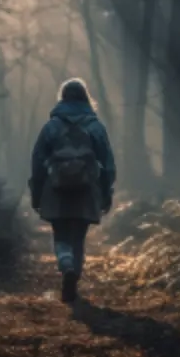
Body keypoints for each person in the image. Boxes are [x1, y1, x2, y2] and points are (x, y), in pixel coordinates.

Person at [29, 78, 116, 303]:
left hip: (56, 189)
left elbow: (37, 162)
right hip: (87, 191)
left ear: (62, 98)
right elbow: (107, 164)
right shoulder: (96, 127)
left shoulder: (51, 127)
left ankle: (66, 265)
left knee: (60, 234)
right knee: (78, 236)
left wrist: (36, 192)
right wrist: (106, 193)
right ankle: (73, 279)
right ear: (86, 98)